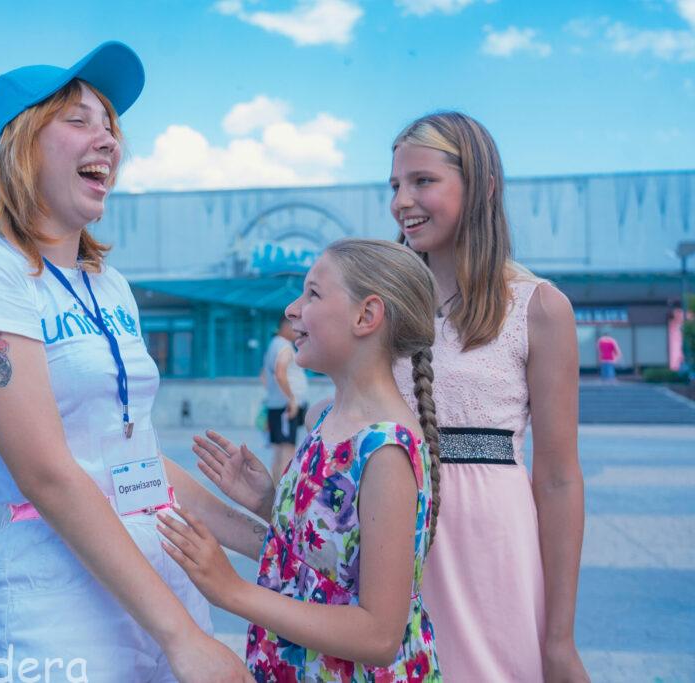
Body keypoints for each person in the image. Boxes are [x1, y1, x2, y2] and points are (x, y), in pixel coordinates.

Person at [0, 42, 252, 682]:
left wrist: (273, 546)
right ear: (20, 146)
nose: (106, 138)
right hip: (57, 598)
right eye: (79, 120)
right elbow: (50, 473)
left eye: (110, 125)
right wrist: (186, 638)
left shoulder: (109, 285)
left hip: (157, 574)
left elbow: (132, 457)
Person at [159, 239, 443, 681]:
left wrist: (231, 591)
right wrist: (268, 503)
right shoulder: (323, 417)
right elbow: (331, 560)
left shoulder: (386, 451)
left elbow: (379, 637)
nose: (292, 309)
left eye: (312, 294)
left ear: (366, 316)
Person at [388, 112, 588, 681]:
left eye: (422, 181)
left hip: (491, 549)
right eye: (395, 185)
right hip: (394, 540)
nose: (403, 200)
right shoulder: (385, 309)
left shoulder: (540, 308)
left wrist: (560, 637)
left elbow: (557, 477)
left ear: (482, 187)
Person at [262, 314, 310, 481]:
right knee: (288, 450)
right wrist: (291, 399)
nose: (298, 332)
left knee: (278, 450)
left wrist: (274, 394)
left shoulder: (272, 345)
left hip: (276, 405)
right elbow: (280, 374)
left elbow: (264, 376)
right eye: (295, 327)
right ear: (286, 326)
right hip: (286, 406)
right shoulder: (284, 347)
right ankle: (284, 493)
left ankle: (276, 490)